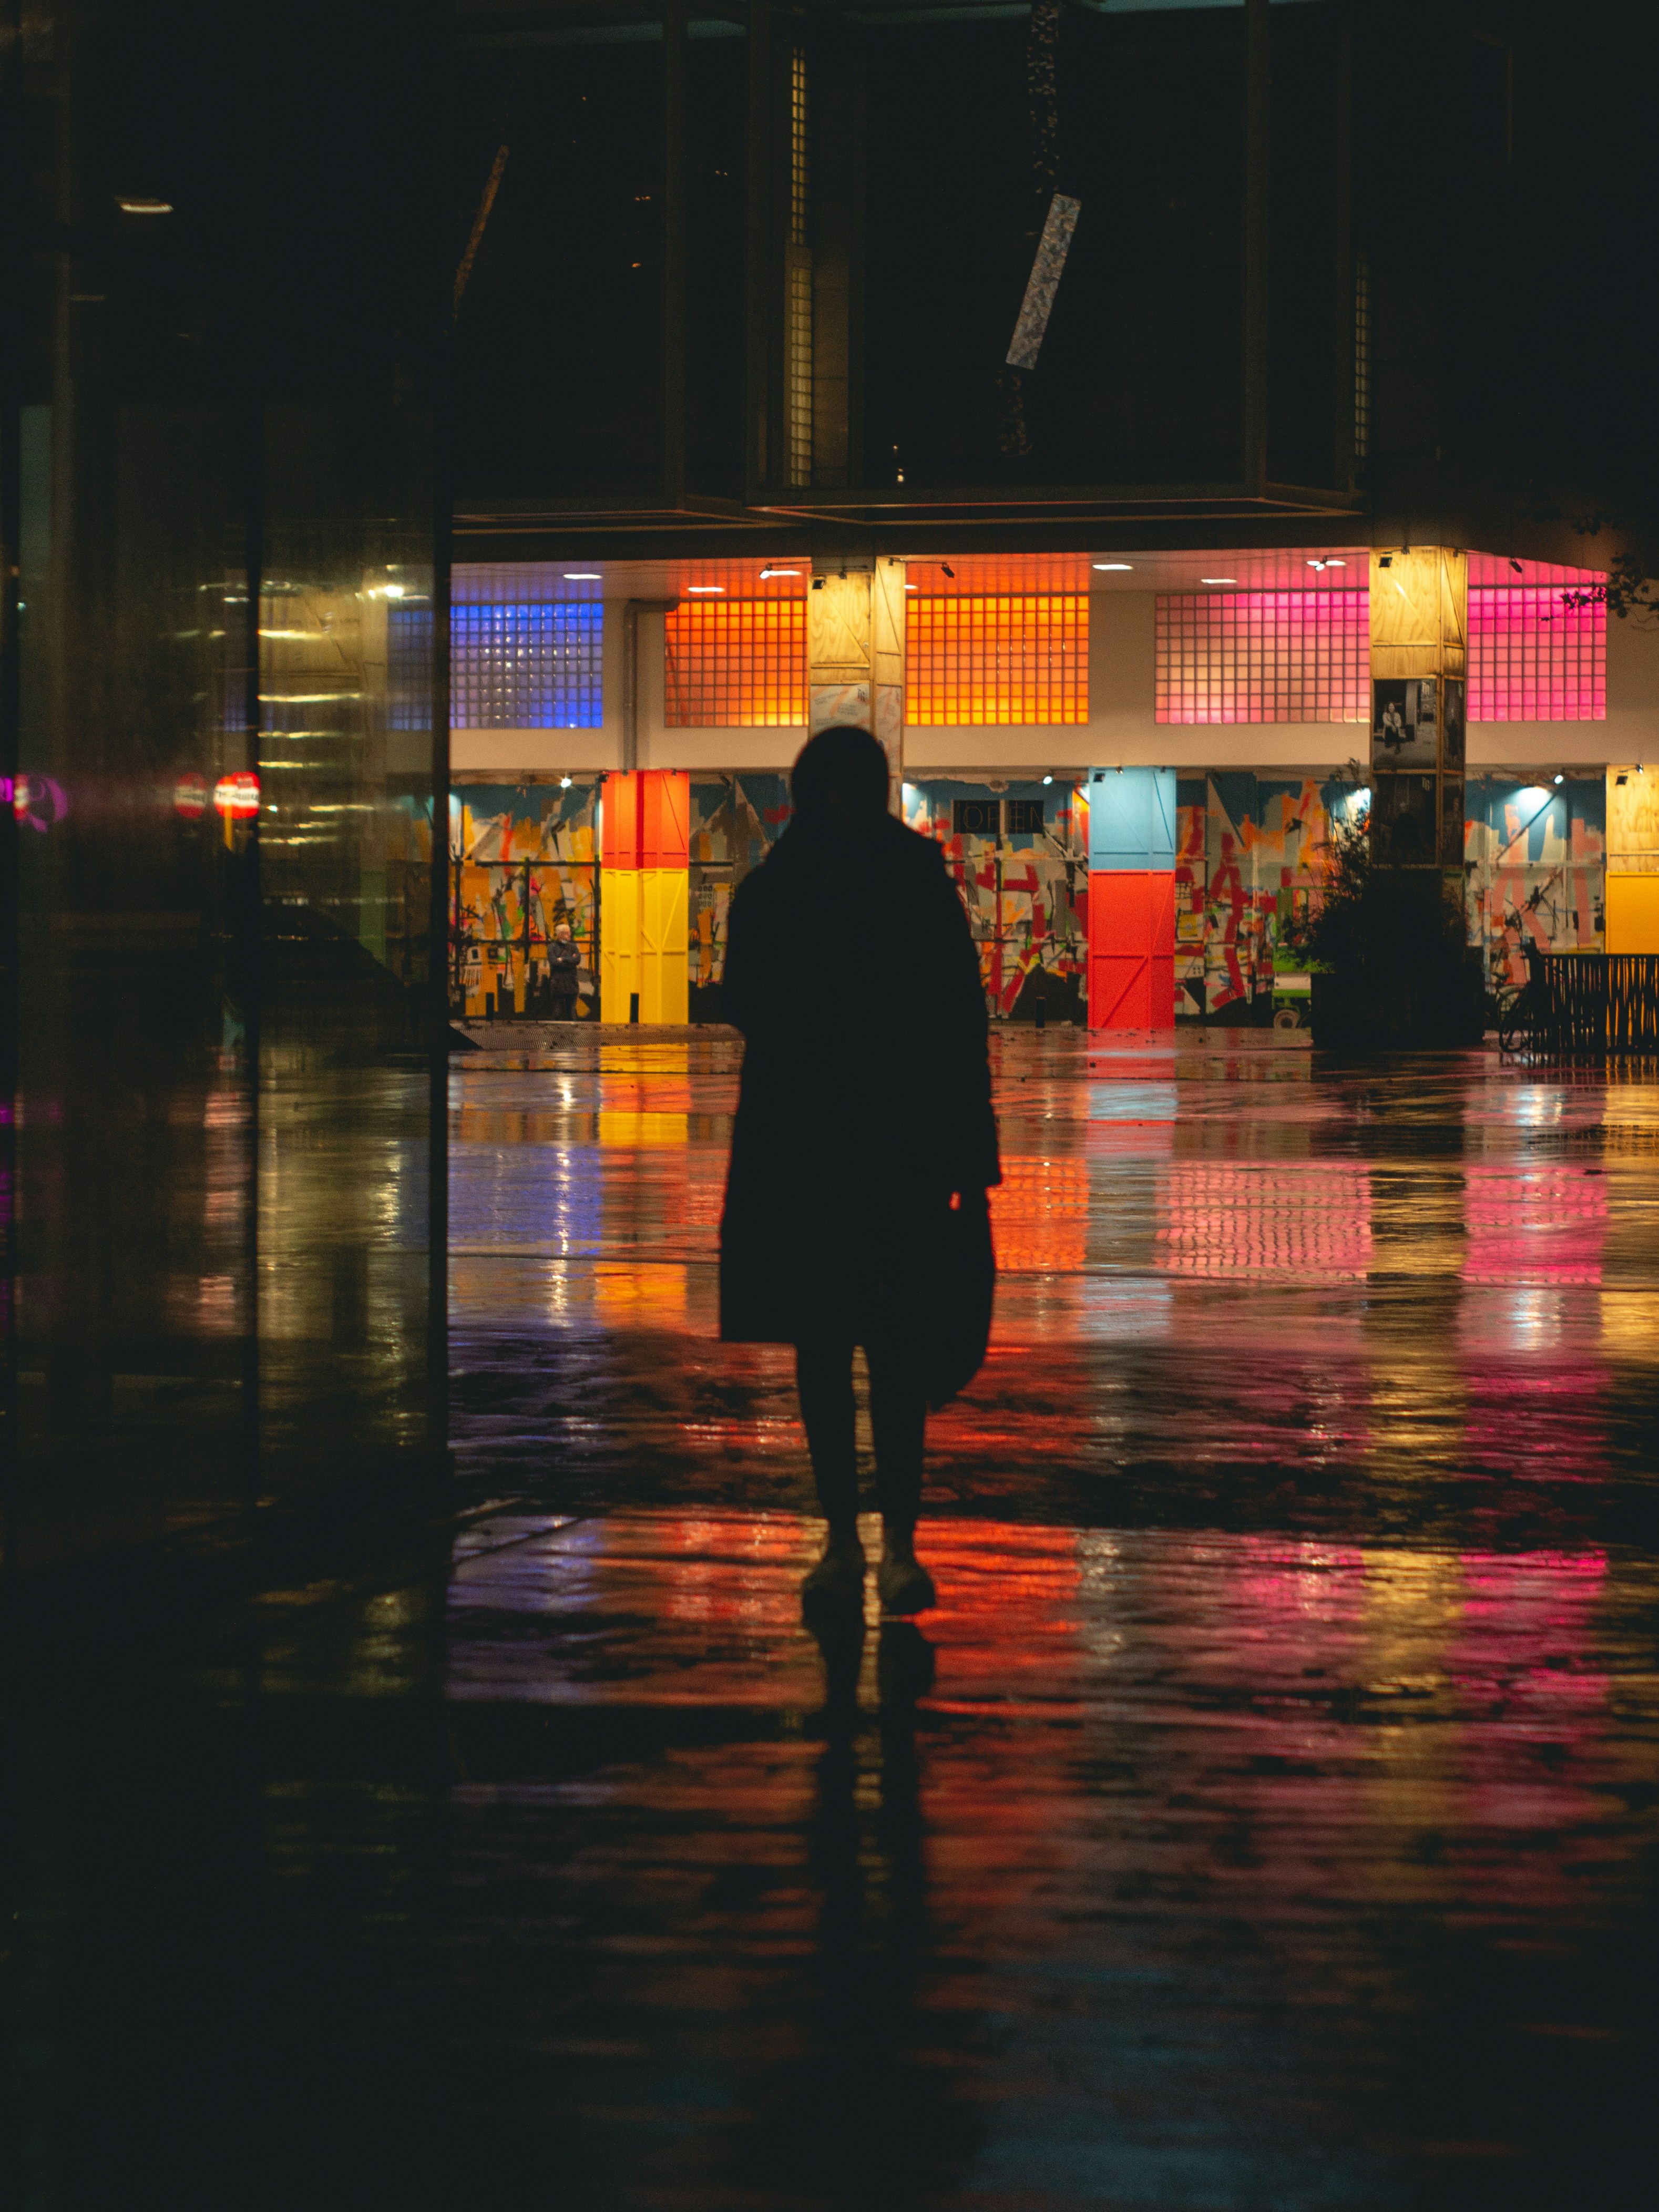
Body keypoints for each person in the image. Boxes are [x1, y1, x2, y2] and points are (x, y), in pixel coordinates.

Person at [719, 725, 1000, 1618]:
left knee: (824, 1351)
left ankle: (843, 1542)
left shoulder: (774, 888)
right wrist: (971, 1161)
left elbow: (745, 1002)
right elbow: (959, 1023)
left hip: (806, 1153)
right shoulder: (917, 884)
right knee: (896, 1355)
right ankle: (898, 1549)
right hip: (903, 1153)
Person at [547, 920, 581, 1019]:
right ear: (560, 935)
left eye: (569, 932)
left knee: (572, 1013)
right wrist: (570, 960)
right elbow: (554, 963)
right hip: (558, 984)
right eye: (567, 933)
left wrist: (562, 959)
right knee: (557, 1012)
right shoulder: (552, 947)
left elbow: (577, 960)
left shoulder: (573, 946)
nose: (569, 934)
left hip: (571, 983)